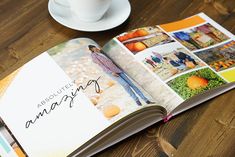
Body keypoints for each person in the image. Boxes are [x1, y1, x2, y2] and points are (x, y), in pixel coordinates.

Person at [88, 45, 154, 106]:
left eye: (95, 47)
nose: (96, 48)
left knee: (132, 84)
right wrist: (111, 72)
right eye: (93, 48)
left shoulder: (102, 52)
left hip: (118, 69)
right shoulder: (94, 55)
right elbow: (101, 65)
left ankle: (146, 100)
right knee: (125, 85)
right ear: (92, 50)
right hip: (111, 72)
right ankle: (136, 100)